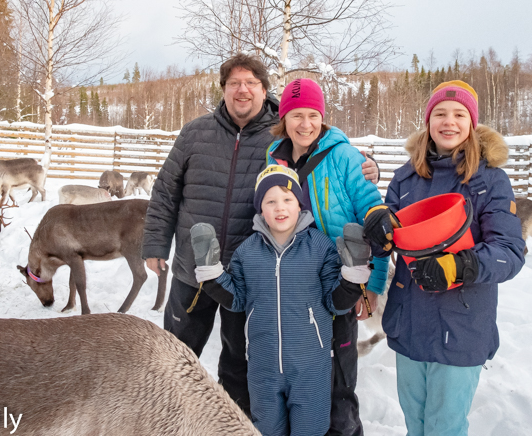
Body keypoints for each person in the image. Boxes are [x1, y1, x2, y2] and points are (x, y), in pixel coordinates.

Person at [143, 54, 378, 417]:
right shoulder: (195, 133)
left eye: (251, 83)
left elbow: (322, 145)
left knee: (240, 361)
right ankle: (165, 418)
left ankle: (234, 424)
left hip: (250, 272)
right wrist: (156, 244)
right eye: (234, 83)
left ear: (265, 90)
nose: (242, 90)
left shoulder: (278, 139)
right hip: (193, 267)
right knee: (175, 353)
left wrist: (362, 163)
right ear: (223, 89)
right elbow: (165, 191)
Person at [362, 80, 525, 436]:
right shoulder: (406, 177)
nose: (448, 122)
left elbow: (510, 252)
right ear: (428, 120)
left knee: (444, 428)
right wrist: (379, 228)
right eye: (440, 113)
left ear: (472, 122)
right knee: (416, 425)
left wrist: (459, 265)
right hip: (410, 322)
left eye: (459, 114)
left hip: (461, 323)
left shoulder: (490, 180)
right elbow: (389, 236)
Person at [192, 165, 370, 436]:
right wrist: (211, 272)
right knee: (266, 430)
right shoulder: (247, 252)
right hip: (263, 367)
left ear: (299, 205)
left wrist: (353, 275)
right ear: (260, 208)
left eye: (287, 199)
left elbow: (336, 302)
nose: (280, 208)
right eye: (270, 201)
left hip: (311, 367)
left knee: (310, 430)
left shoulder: (320, 247)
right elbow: (236, 299)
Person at [266, 78, 388, 436]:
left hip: (340, 290)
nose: (305, 124)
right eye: (296, 115)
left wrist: (372, 286)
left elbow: (374, 220)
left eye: (313, 115)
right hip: (292, 293)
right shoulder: (274, 159)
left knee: (338, 393)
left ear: (323, 117)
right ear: (284, 118)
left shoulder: (345, 157)